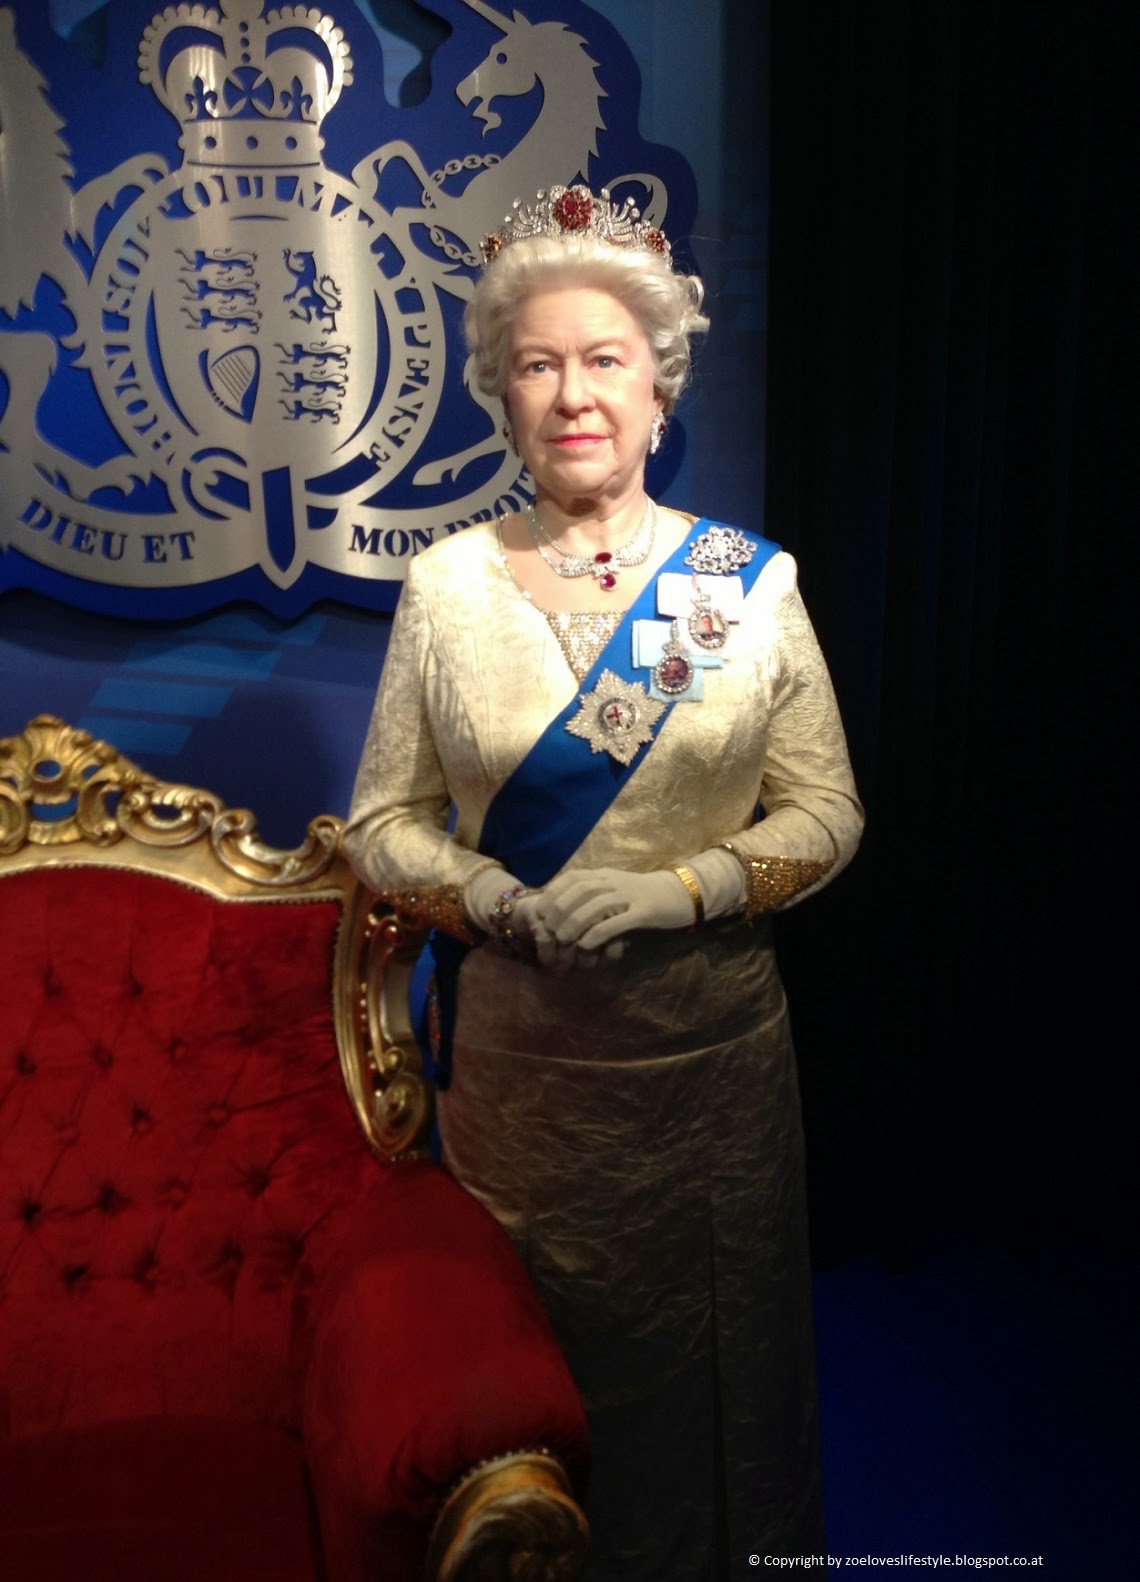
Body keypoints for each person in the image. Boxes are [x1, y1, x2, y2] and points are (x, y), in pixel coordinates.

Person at [345, 185, 863, 1580]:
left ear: (657, 386)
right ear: (503, 395)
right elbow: (383, 823)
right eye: (537, 364)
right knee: (530, 1396)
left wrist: (685, 886)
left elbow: (830, 813)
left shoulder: (745, 587)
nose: (573, 394)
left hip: (710, 1083)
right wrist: (491, 900)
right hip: (524, 1085)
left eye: (604, 360)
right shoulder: (447, 589)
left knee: (721, 1404)